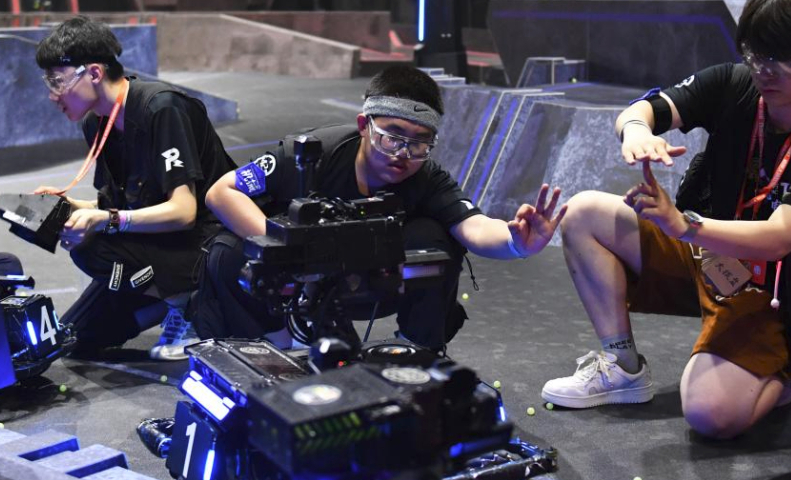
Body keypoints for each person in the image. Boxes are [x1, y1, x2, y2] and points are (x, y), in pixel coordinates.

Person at [541, 0, 791, 439]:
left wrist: (682, 225)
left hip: (773, 292)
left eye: (783, 60)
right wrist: (638, 132)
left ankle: (779, 374)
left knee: (708, 415)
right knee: (585, 212)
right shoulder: (734, 83)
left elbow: (781, 236)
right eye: (756, 55)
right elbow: (641, 110)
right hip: (709, 257)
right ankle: (622, 367)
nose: (764, 71)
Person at [192, 65, 567, 351]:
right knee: (228, 250)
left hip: (368, 283)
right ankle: (273, 346)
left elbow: (474, 226)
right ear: (364, 126)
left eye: (419, 143)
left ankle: (417, 354)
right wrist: (284, 246)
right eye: (392, 137)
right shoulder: (308, 154)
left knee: (436, 238)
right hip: (292, 281)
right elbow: (222, 192)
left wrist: (517, 243)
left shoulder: (427, 177)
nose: (404, 153)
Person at [33, 16, 236, 361]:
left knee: (91, 247)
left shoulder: (162, 108)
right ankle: (166, 304)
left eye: (57, 81)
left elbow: (184, 212)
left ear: (93, 73)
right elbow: (120, 204)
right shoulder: (96, 123)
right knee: (73, 338)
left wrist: (104, 220)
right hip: (157, 242)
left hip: (205, 241)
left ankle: (191, 306)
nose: (53, 95)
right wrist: (70, 206)